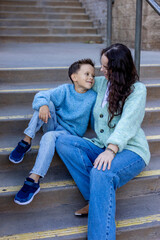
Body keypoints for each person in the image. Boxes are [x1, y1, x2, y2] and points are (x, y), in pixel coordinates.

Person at [55, 43, 150, 240]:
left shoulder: (137, 90)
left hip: (131, 150)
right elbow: (76, 84)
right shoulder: (102, 83)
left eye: (105, 67)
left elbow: (128, 123)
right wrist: (45, 103)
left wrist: (111, 150)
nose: (100, 70)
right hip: (102, 146)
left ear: (118, 69)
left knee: (101, 173)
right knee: (63, 142)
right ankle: (97, 198)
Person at [9, 59, 97, 205]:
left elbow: (96, 120)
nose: (91, 78)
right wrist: (43, 105)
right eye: (87, 74)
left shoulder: (93, 97)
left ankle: (34, 179)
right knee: (45, 103)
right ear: (74, 77)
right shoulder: (65, 90)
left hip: (68, 135)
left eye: (93, 75)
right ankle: (26, 140)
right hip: (53, 125)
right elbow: (41, 95)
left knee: (49, 136)